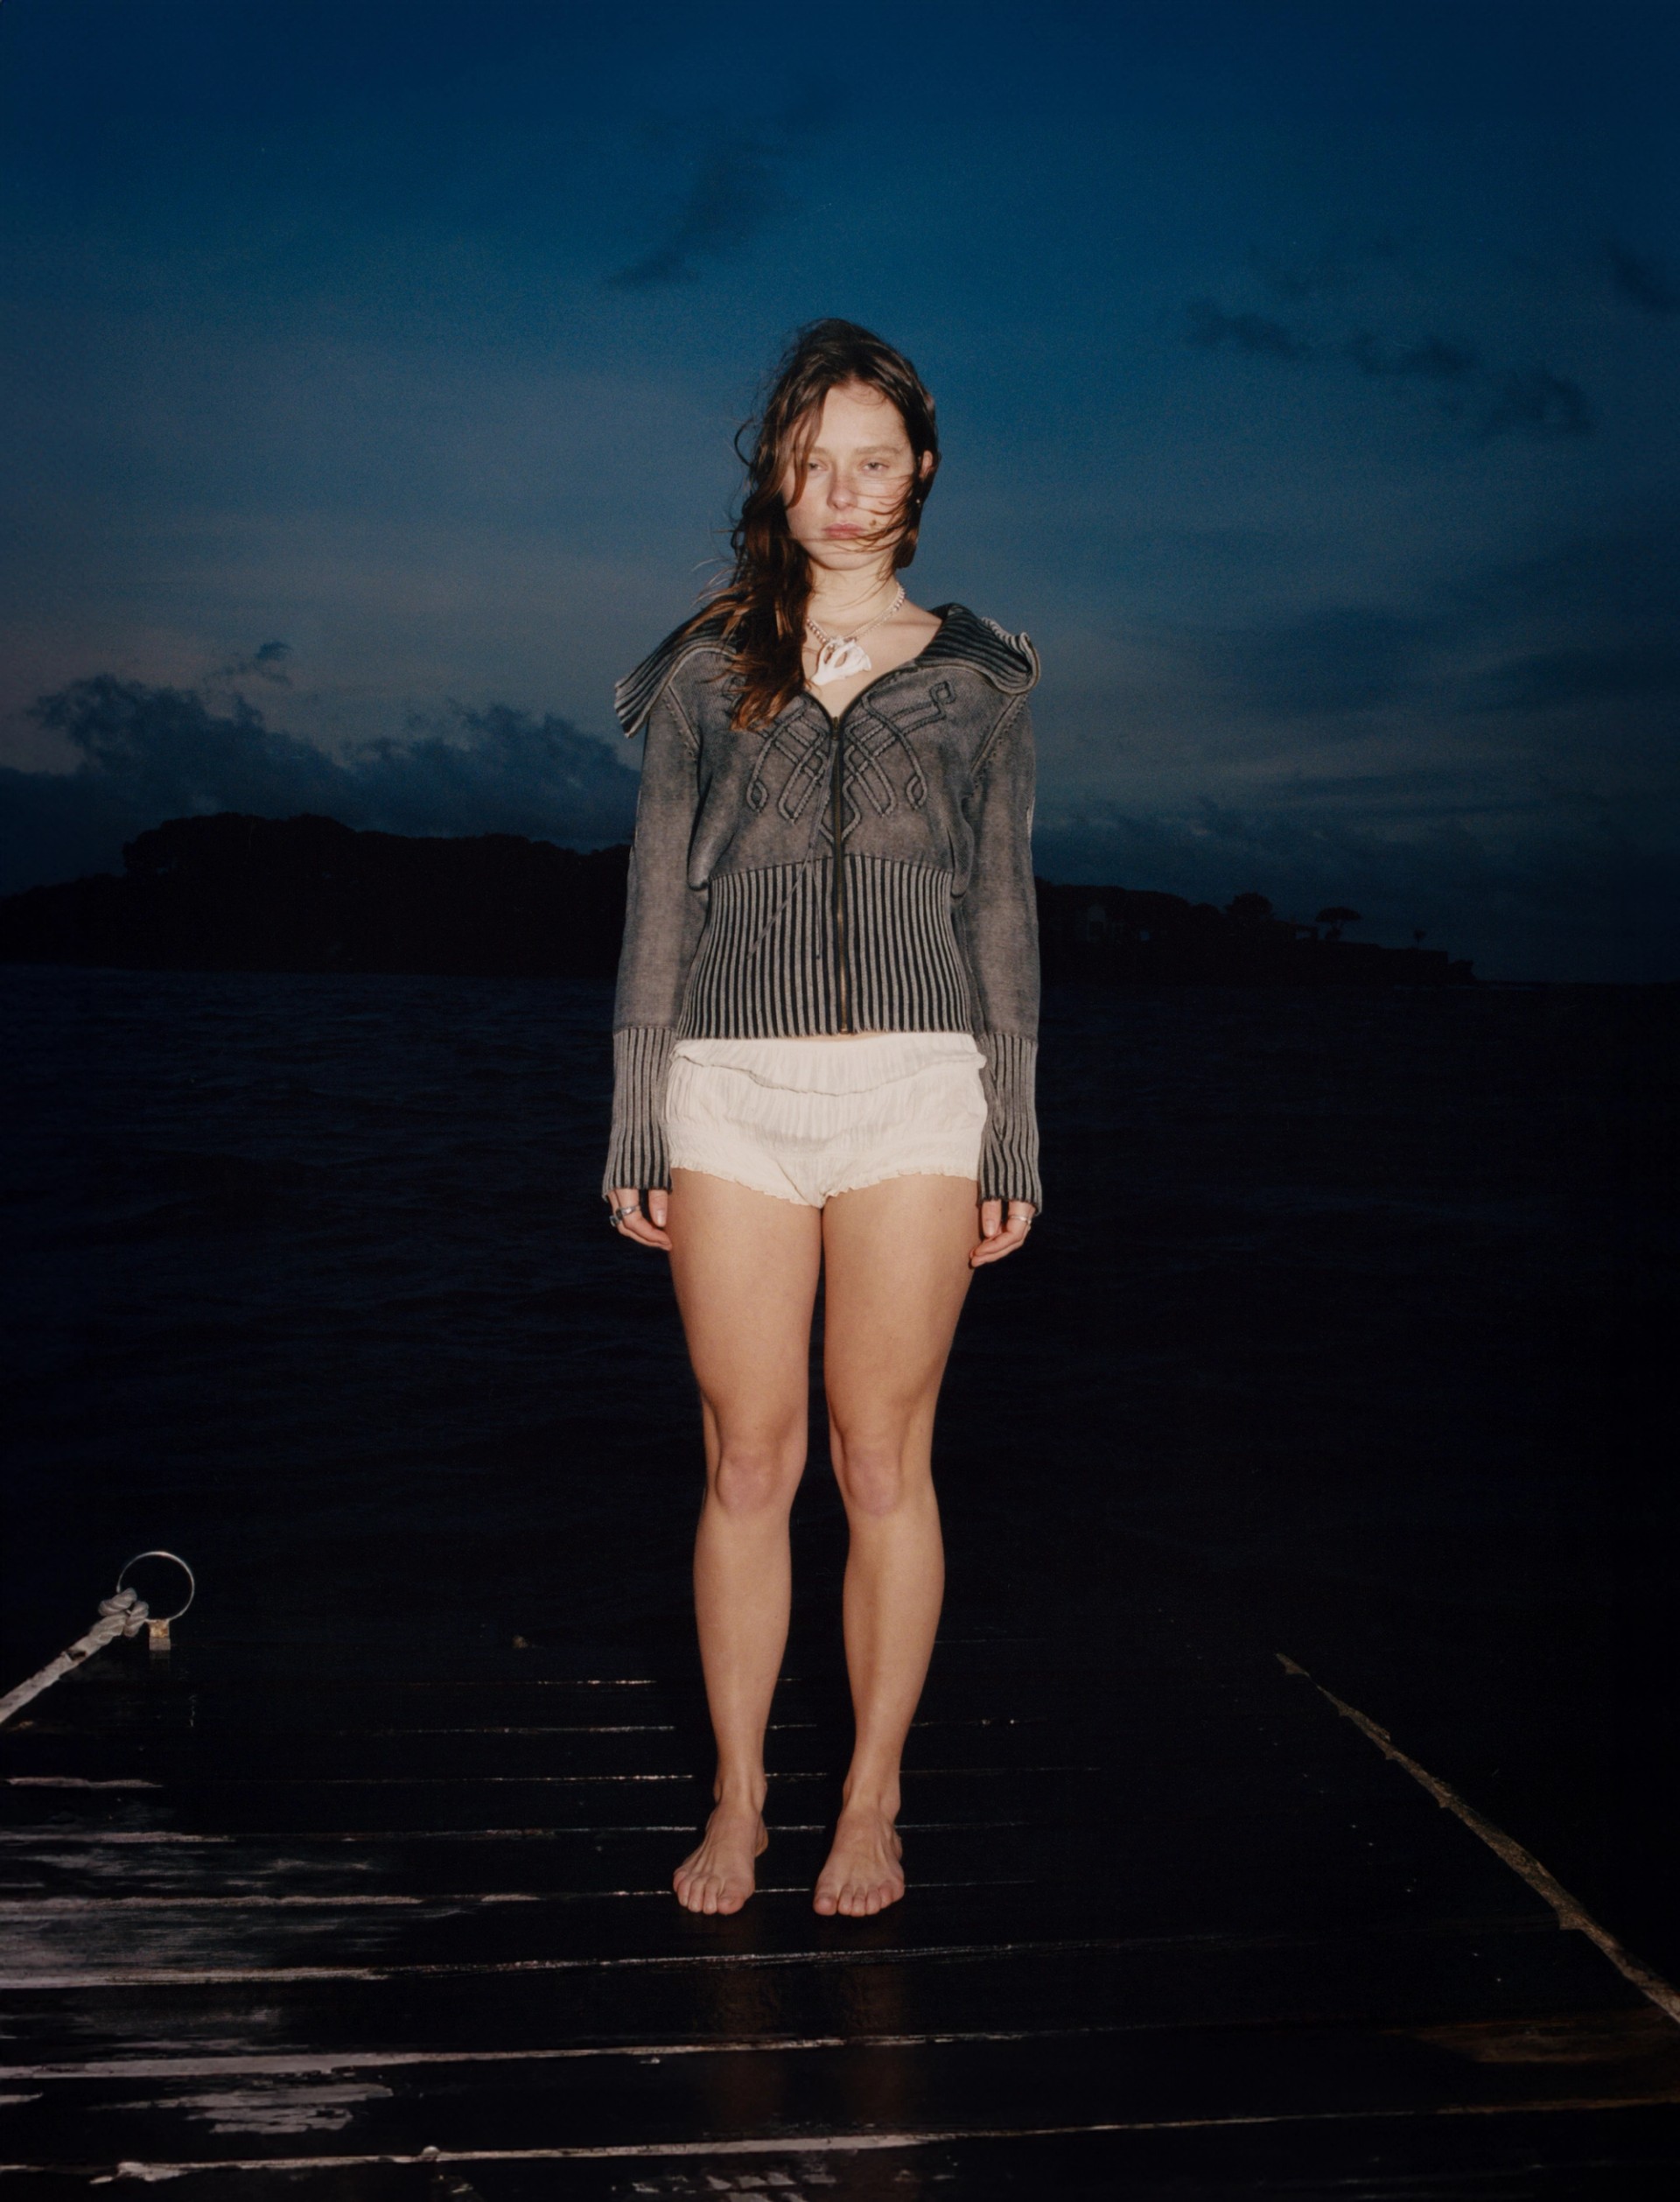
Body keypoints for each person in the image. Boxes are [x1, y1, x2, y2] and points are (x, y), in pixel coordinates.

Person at [604, 319, 1041, 1920]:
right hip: (729, 1088)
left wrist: (1015, 1130)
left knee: (879, 1458)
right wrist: (636, 1117)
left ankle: (871, 1799)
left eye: (874, 461)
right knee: (747, 1462)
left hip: (921, 1087)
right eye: (814, 464)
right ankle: (739, 1795)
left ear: (921, 470)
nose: (845, 492)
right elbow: (658, 901)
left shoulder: (983, 677)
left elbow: (1003, 910)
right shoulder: (706, 667)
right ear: (777, 481)